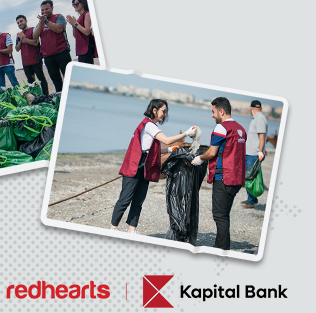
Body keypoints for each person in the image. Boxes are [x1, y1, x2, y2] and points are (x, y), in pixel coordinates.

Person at [112, 100, 195, 233]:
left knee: (139, 200)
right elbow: (166, 140)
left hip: (145, 164)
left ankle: (131, 230)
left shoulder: (151, 126)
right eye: (163, 111)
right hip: (136, 164)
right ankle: (113, 228)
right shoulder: (149, 125)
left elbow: (151, 149)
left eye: (166, 111)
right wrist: (186, 133)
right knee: (125, 198)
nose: (165, 114)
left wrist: (169, 150)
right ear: (154, 110)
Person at [191, 97, 247, 250]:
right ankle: (224, 246)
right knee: (224, 215)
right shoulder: (240, 129)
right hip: (237, 178)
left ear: (221, 111)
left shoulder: (222, 128)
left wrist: (199, 159)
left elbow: (211, 152)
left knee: (219, 216)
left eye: (213, 112)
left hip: (224, 177)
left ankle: (220, 249)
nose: (212, 115)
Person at [32, 0, 71, 93]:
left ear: (52, 8)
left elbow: (58, 29)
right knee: (56, 79)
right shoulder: (40, 23)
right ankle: (61, 98)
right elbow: (35, 36)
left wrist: (46, 21)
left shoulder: (58, 17)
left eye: (47, 9)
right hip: (48, 56)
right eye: (42, 10)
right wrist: (41, 23)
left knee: (69, 78)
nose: (44, 11)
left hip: (62, 52)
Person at [242, 100, 268, 208]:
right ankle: (251, 198)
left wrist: (260, 152)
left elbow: (262, 136)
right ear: (260, 108)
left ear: (251, 108)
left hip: (254, 153)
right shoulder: (257, 118)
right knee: (249, 175)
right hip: (251, 152)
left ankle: (251, 201)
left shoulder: (260, 119)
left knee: (249, 177)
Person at [15, 15, 49, 95]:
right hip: (25, 61)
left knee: (41, 79)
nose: (20, 24)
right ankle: (36, 96)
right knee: (31, 81)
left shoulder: (33, 29)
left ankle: (46, 96)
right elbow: (17, 48)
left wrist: (24, 39)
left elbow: (35, 42)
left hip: (36, 58)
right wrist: (20, 40)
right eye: (18, 23)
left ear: (26, 21)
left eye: (21, 21)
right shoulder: (19, 35)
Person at [65, 0, 97, 65]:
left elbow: (87, 32)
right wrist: (73, 25)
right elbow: (76, 36)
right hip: (81, 48)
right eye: (73, 4)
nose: (75, 6)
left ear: (83, 3)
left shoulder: (87, 14)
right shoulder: (80, 17)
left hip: (86, 47)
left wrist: (76, 24)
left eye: (77, 4)